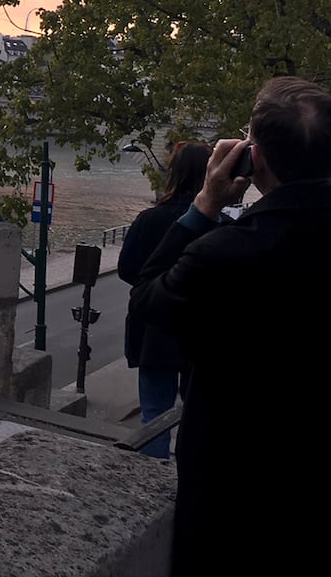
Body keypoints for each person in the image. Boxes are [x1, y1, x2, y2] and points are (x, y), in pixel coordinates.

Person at [129, 77, 331, 576]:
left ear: (254, 160)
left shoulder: (225, 252)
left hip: (231, 499)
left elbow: (150, 298)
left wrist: (203, 206)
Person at [116, 141, 210, 459]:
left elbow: (128, 269)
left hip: (155, 330)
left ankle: (150, 487)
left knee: (154, 414)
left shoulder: (148, 220)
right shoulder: (220, 225)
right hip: (199, 332)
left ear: (173, 174)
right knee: (199, 418)